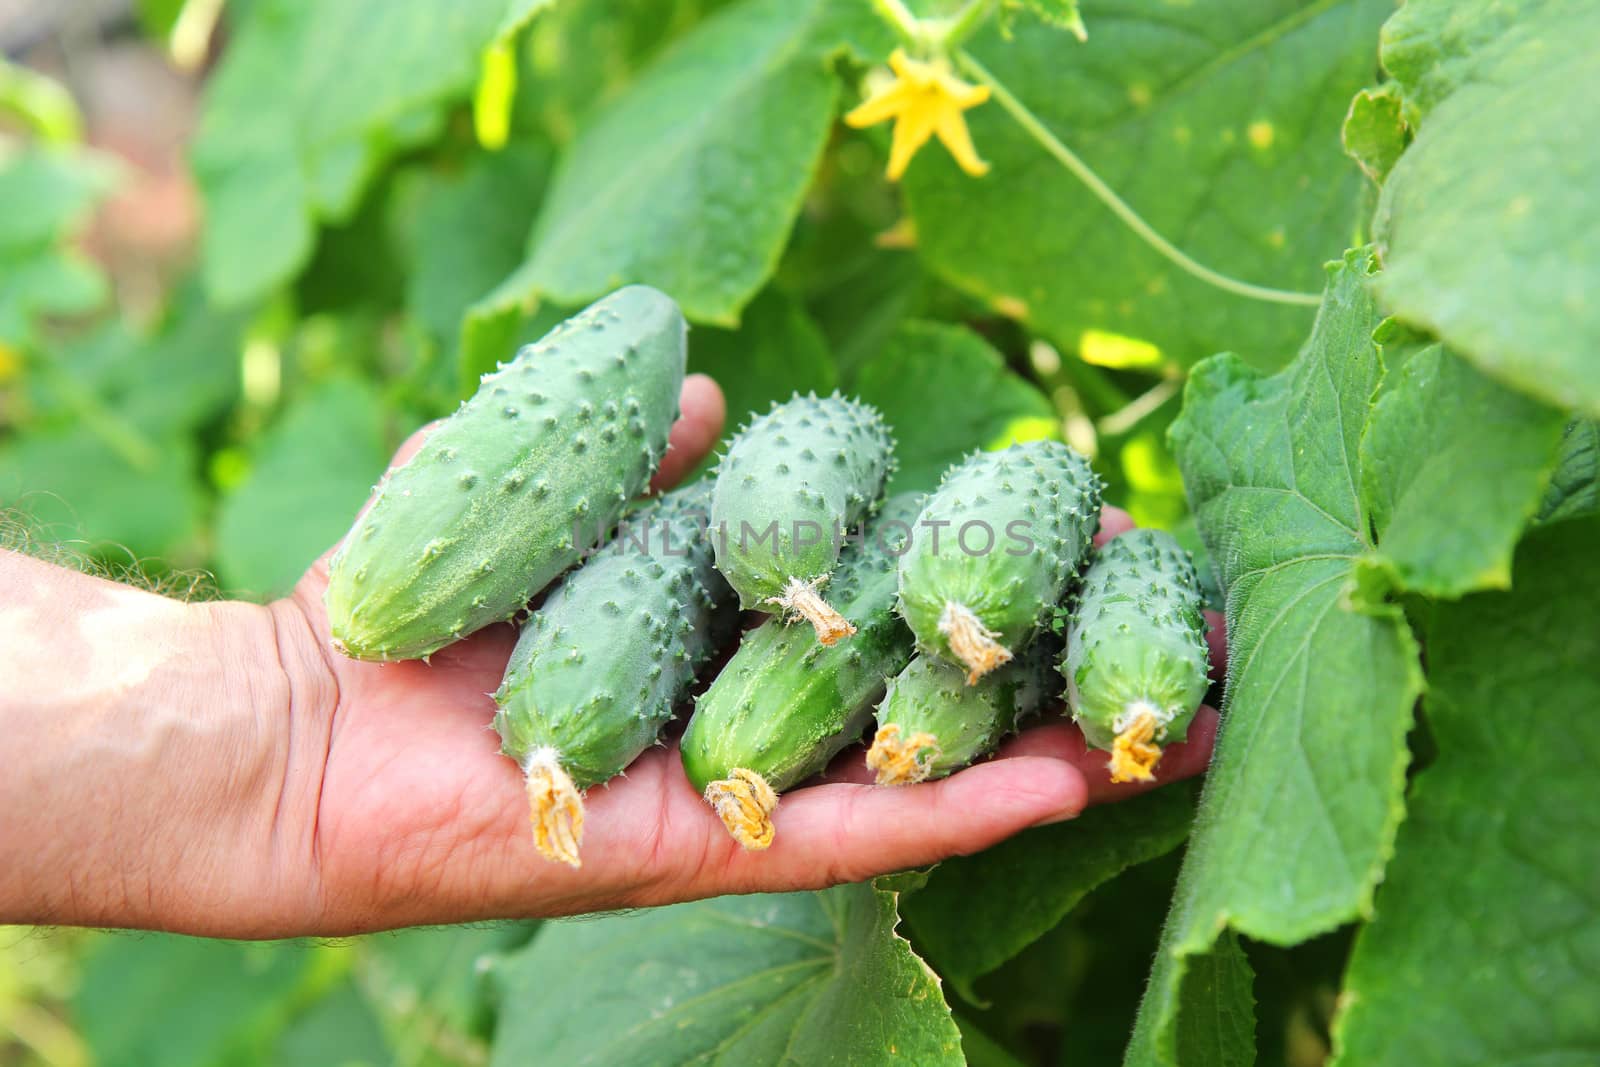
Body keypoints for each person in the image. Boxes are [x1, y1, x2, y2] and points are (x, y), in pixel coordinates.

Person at [0, 376, 1220, 938]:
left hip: (813, 610)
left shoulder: (896, 565)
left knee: (886, 615)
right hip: (631, 681)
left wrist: (281, 719)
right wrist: (281, 721)